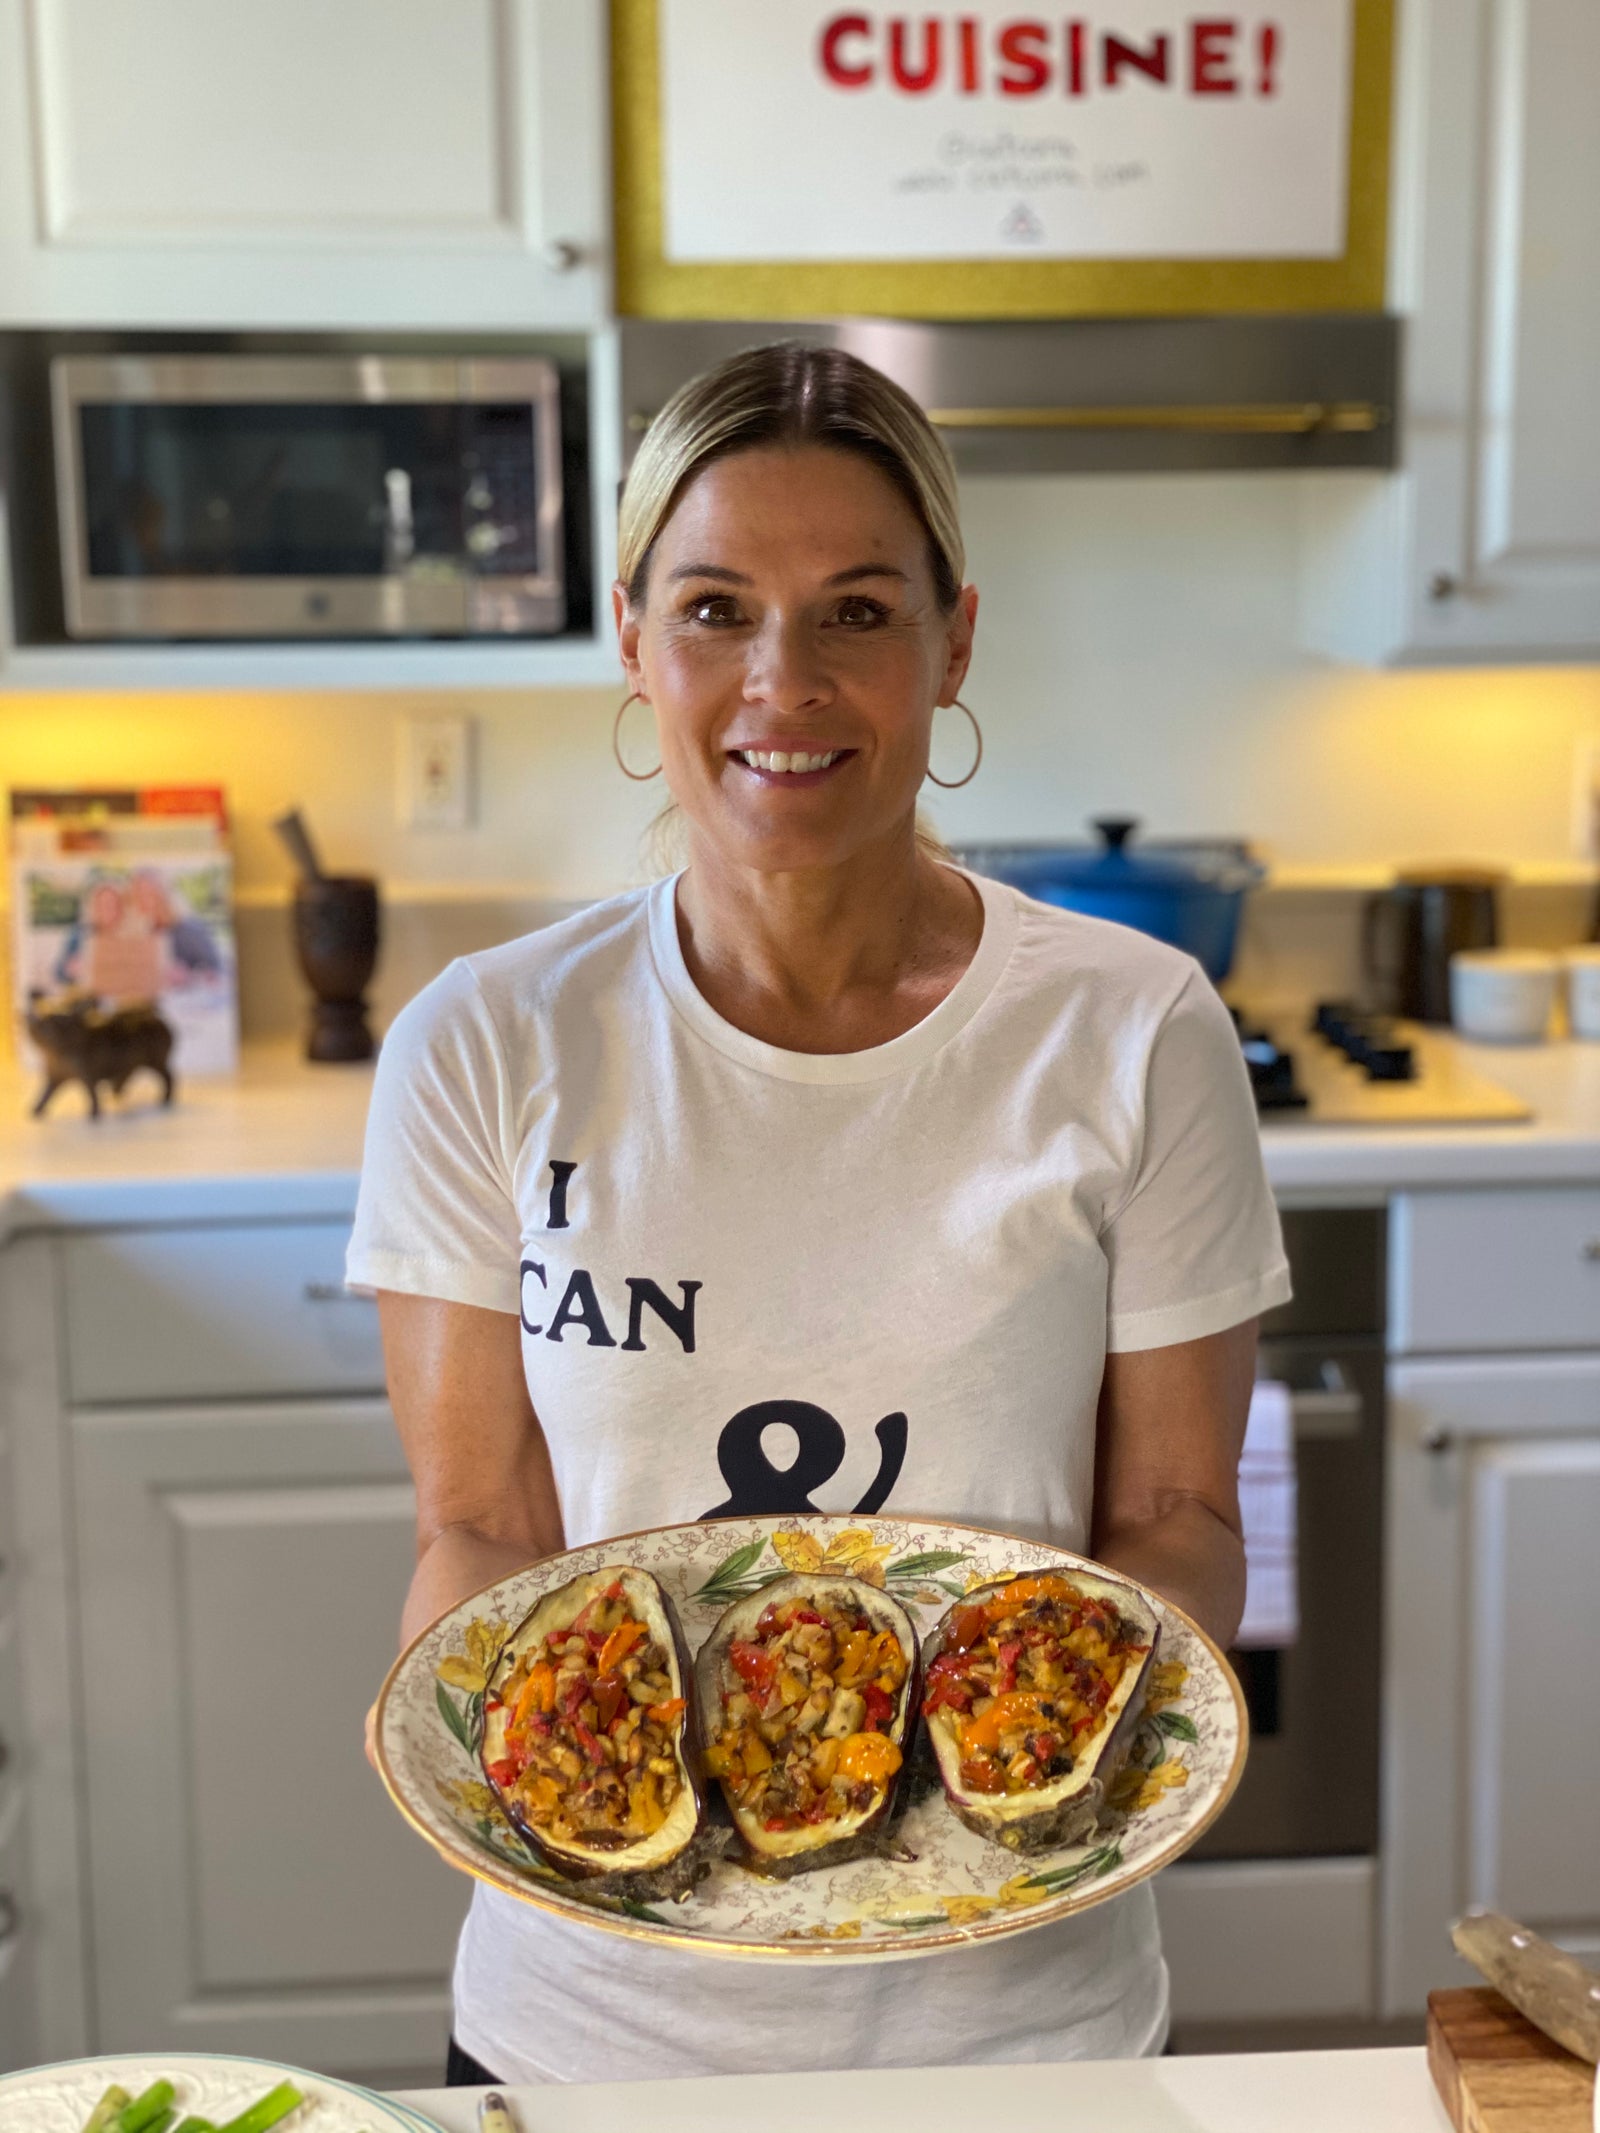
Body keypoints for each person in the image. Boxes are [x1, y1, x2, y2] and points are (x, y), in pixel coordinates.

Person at [348, 341, 1290, 2084]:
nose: (786, 681)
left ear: (955, 640)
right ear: (635, 638)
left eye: (858, 611)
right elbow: (477, 1524)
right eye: (717, 608)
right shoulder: (485, 1042)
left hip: (1021, 2022)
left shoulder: (1138, 1029)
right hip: (592, 2027)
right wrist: (499, 1741)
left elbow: (1176, 1513)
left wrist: (1041, 1725)